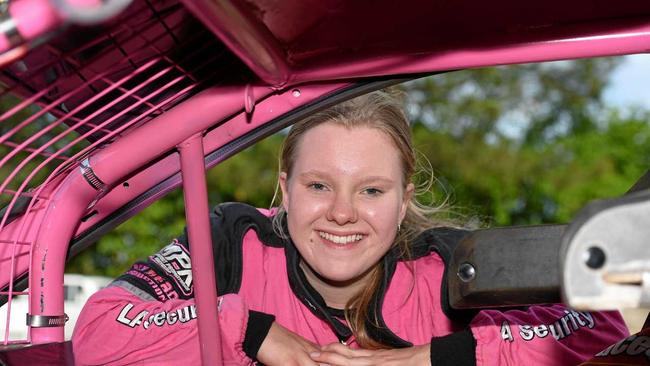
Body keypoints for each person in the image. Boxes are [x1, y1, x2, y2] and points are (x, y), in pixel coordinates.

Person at [72, 89, 629, 365]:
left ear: (404, 200)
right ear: (284, 187)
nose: (342, 213)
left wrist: (431, 358)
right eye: (318, 186)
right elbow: (99, 331)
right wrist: (250, 332)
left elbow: (597, 326)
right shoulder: (231, 242)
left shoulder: (448, 268)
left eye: (371, 191)